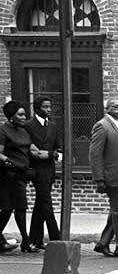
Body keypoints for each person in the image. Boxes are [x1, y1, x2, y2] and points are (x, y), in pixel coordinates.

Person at [89, 98, 118, 258]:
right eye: (116, 107)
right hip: (113, 175)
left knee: (117, 209)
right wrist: (99, 178)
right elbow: (95, 154)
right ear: (107, 108)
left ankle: (103, 243)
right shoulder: (102, 126)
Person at [0, 101, 44, 253]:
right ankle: (25, 241)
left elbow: (33, 149)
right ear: (11, 116)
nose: (24, 117)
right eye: (20, 114)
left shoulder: (23, 131)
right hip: (8, 175)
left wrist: (51, 154)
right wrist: (9, 162)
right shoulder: (3, 130)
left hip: (21, 174)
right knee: (12, 208)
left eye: (24, 114)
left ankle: (24, 241)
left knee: (16, 208)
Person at [25, 96, 61, 249]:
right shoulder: (28, 125)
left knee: (40, 204)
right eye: (46, 107)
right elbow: (31, 151)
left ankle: (34, 239)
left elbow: (58, 147)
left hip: (49, 169)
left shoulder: (53, 126)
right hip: (36, 170)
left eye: (50, 106)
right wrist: (50, 154)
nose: (49, 109)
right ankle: (56, 240)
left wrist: (54, 153)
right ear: (37, 108)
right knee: (47, 204)